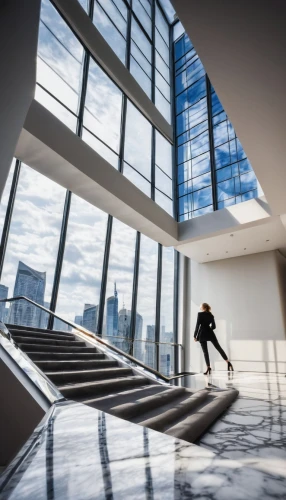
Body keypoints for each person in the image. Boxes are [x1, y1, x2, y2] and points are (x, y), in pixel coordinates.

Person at [194, 303, 233, 375]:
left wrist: (195, 336)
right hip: (210, 333)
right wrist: (209, 329)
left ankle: (208, 367)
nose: (200, 308)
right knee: (218, 348)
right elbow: (214, 326)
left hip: (202, 333)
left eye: (201, 307)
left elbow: (197, 325)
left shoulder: (200, 314)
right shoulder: (211, 315)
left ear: (203, 307)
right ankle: (228, 362)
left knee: (205, 352)